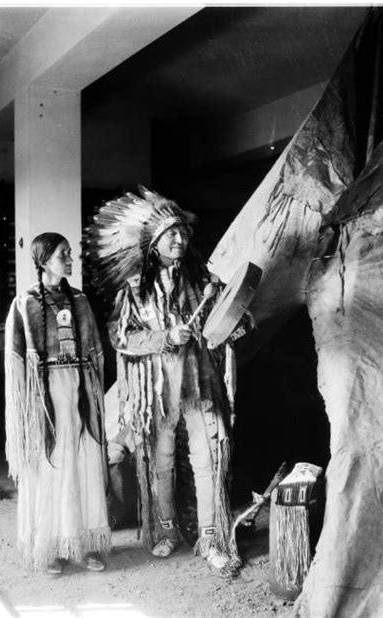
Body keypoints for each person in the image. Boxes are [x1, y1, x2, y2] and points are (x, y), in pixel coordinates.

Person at [86, 187, 239, 568]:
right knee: (161, 460)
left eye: (182, 233)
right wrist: (163, 338)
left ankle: (211, 537)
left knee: (208, 458)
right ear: (154, 243)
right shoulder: (135, 289)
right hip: (158, 390)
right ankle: (167, 531)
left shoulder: (201, 279)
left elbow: (227, 320)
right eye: (171, 234)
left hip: (200, 383)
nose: (179, 239)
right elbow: (121, 337)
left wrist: (233, 320)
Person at [5, 232, 111, 575]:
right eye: (63, 254)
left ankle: (83, 543)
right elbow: (15, 359)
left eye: (71, 253)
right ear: (44, 260)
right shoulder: (25, 303)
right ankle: (50, 546)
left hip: (78, 390)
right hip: (45, 395)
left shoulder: (79, 300)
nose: (70, 259)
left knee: (83, 463)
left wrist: (92, 392)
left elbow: (95, 350)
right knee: (52, 467)